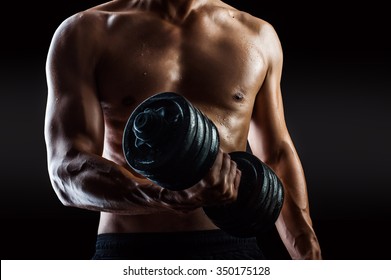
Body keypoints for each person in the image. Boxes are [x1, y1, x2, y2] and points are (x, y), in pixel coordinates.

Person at [44, 0, 322, 260]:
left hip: (231, 251)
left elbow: (276, 155)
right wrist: (164, 196)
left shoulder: (256, 35)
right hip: (129, 251)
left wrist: (308, 252)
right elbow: (67, 170)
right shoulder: (85, 32)